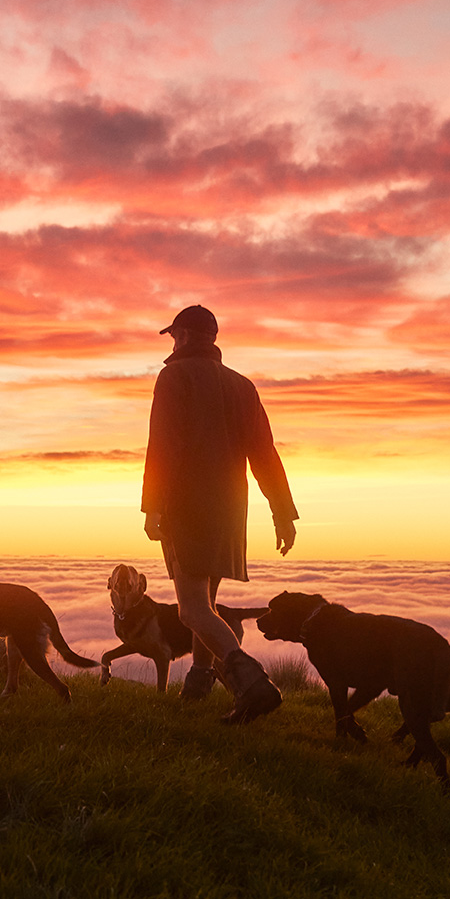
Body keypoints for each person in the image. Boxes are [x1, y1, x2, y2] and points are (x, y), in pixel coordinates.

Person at [140, 304, 298, 724]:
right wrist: (283, 512)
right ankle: (198, 682)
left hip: (187, 505)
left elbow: (163, 445)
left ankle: (252, 685)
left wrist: (153, 505)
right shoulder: (242, 386)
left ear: (186, 336)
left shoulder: (174, 376)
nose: (172, 344)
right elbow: (264, 453)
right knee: (206, 602)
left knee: (190, 610)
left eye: (174, 335)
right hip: (231, 509)